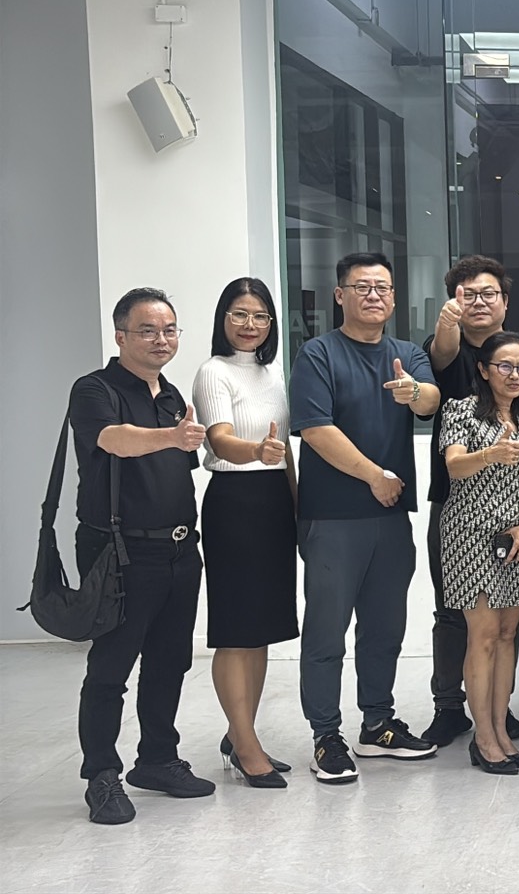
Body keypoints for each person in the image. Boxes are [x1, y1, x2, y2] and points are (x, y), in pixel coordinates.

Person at [292, 251, 443, 784]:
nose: (373, 295)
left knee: (384, 627)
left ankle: (377, 723)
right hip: (333, 516)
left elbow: (429, 401)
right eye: (361, 286)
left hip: (390, 517)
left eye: (382, 287)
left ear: (394, 298)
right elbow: (316, 429)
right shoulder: (317, 354)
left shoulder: (407, 354)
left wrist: (415, 392)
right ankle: (326, 735)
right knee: (327, 631)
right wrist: (374, 475)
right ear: (340, 295)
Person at [70, 288, 214, 823]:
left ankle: (156, 759)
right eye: (148, 330)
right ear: (120, 335)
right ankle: (101, 776)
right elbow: (115, 440)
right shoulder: (94, 389)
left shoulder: (172, 394)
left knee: (170, 661)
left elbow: (176, 467)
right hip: (120, 550)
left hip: (179, 549)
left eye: (170, 330)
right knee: (111, 665)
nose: (161, 339)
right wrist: (172, 436)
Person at [421, 256, 519, 747]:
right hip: (459, 509)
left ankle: (497, 714)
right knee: (454, 615)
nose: (479, 302)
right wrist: (447, 323)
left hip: (517, 516)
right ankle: (450, 708)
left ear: (505, 301)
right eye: (468, 294)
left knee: (505, 627)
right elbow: (442, 351)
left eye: (488, 293)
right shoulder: (448, 351)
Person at [191, 278, 298, 789]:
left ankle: (241, 735)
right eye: (239, 314)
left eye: (260, 316)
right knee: (236, 630)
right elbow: (220, 440)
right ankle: (246, 745)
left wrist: (298, 509)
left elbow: (285, 450)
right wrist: (257, 452)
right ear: (223, 319)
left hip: (275, 502)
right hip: (235, 503)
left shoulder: (272, 373)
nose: (250, 325)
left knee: (262, 629)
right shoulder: (213, 371)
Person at [440, 333, 519, 775]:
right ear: (484, 370)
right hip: (471, 534)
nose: (515, 375)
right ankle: (483, 738)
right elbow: (454, 465)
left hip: (518, 537)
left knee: (507, 634)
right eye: (505, 366)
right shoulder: (461, 409)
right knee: (483, 636)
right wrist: (490, 453)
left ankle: (502, 730)